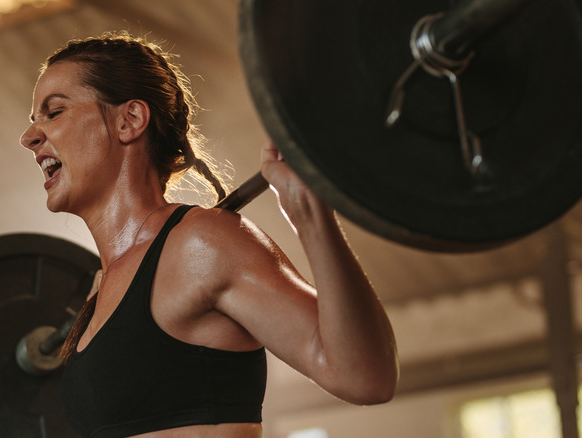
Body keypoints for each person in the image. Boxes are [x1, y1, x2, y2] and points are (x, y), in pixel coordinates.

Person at [20, 32, 398, 438]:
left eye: (54, 112)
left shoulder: (200, 245)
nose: (29, 138)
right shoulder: (99, 289)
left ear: (128, 120)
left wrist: (310, 215)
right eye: (34, 121)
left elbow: (365, 378)